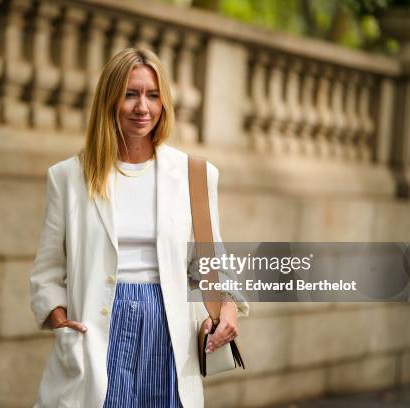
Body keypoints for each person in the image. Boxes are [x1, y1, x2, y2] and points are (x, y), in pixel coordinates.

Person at [29, 47, 250, 408]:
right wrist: (60, 321)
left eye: (152, 95)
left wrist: (226, 312)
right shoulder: (68, 177)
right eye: (130, 94)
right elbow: (47, 271)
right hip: (98, 332)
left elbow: (211, 266)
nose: (142, 107)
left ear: (164, 103)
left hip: (169, 329)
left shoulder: (195, 176)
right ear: (110, 99)